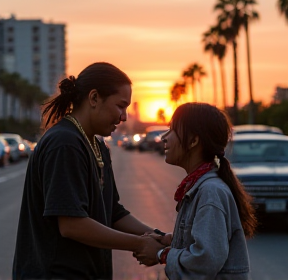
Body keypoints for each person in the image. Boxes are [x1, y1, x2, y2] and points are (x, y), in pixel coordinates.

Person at [12, 62, 164, 280]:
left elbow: (112, 212)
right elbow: (72, 225)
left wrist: (158, 236)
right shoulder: (64, 143)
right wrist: (139, 244)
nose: (124, 117)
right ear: (94, 98)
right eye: (121, 106)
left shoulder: (96, 144)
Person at [135, 103, 257, 280]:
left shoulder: (210, 192)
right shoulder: (202, 186)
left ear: (193, 140)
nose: (164, 137)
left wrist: (161, 254)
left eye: (172, 130)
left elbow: (205, 260)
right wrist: (172, 239)